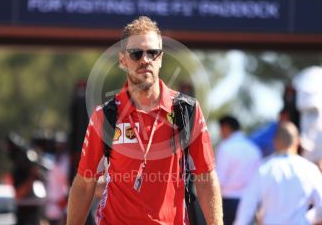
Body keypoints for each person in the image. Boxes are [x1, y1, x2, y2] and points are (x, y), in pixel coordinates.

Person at [66, 16, 223, 224]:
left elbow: (206, 179)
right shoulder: (105, 115)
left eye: (152, 53)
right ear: (122, 59)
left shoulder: (186, 110)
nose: (145, 60)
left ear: (160, 58)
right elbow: (85, 183)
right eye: (136, 53)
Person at [234, 122, 322, 225]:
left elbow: (247, 207)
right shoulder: (309, 169)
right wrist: (305, 220)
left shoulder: (264, 169)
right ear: (297, 142)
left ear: (275, 143)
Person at [215, 115, 261, 225]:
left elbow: (219, 180)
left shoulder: (225, 148)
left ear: (226, 127)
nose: (221, 133)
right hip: (250, 202)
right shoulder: (254, 149)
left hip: (228, 202)